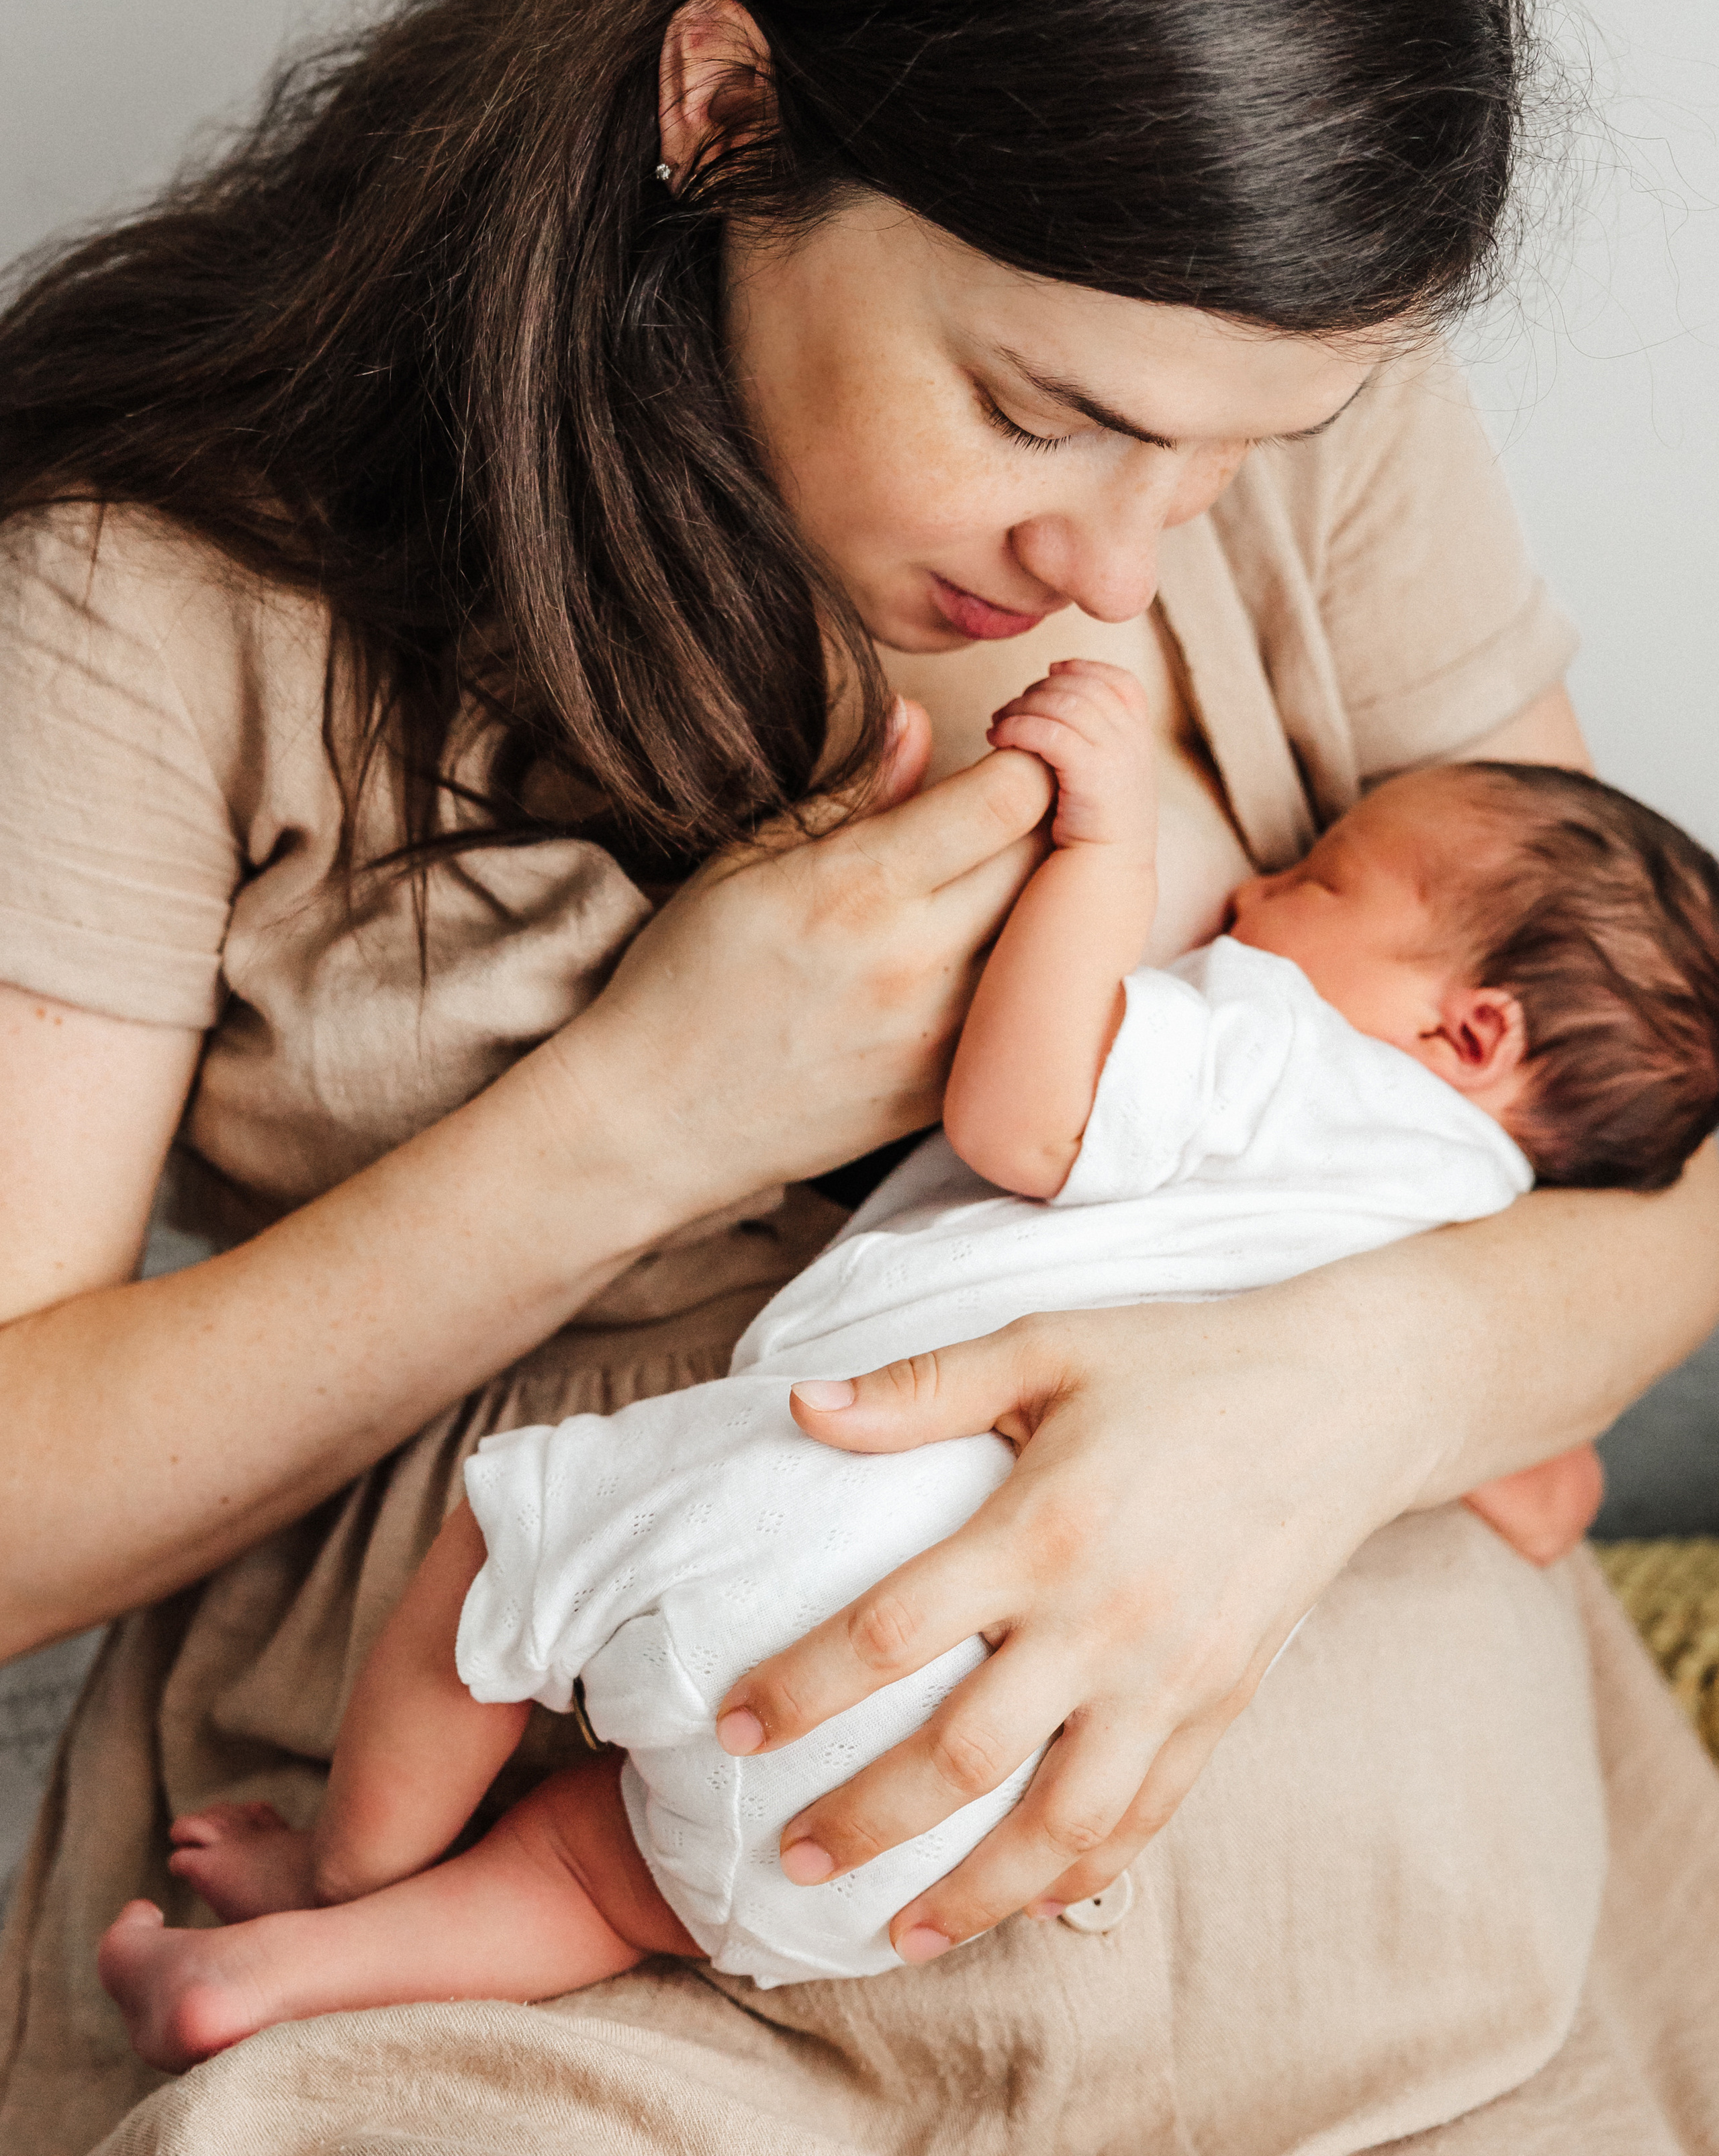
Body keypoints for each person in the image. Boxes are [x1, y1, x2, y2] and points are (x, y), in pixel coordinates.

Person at [3, 0, 1718, 2151]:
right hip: (596, 1925)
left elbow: (1663, 1146)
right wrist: (636, 1121)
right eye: (1041, 414)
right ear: (722, 112)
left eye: (1224, 473)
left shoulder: (1267, 365)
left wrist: (1335, 1397)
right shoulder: (151, 602)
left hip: (1415, 1969)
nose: (1134, 568)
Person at [95, 705, 1719, 2063]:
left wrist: (1105, 860)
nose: (1260, 898)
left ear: (1467, 1031)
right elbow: (1543, 1491)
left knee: (501, 1552)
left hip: (830, 1512)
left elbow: (1026, 1116)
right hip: (968, 1806)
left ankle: (337, 1873)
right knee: (604, 1886)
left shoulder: (1291, 1056)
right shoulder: (1471, 1232)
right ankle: (268, 1991)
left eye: (1318, 879)